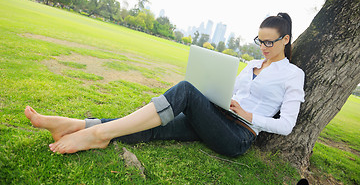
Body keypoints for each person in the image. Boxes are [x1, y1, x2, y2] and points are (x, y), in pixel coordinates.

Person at [24, 12, 305, 156]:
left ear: (286, 40)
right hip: (217, 119)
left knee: (184, 89)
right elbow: (231, 94)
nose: (263, 47)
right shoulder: (251, 65)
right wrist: (219, 96)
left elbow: (287, 125)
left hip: (238, 136)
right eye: (260, 41)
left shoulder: (293, 75)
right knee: (153, 127)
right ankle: (74, 125)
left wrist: (248, 115)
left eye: (269, 42)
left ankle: (96, 135)